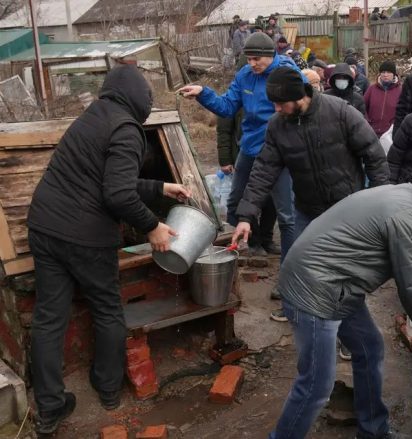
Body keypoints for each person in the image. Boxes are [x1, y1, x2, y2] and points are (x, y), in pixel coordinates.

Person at [27, 64, 191, 436]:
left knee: (49, 317)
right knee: (107, 308)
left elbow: (106, 175)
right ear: (140, 98)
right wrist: (153, 227)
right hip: (85, 236)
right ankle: (108, 389)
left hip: (44, 226)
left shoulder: (93, 117)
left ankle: (49, 408)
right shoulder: (129, 129)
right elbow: (115, 193)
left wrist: (160, 188)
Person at [267, 165, 412, 439]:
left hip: (334, 283)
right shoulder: (411, 215)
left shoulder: (404, 198)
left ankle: (373, 431)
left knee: (370, 347)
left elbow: (406, 259)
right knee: (316, 386)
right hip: (315, 290)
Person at [231, 67, 389, 330]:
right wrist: (246, 215)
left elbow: (374, 155)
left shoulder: (340, 112)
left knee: (346, 276)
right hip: (307, 209)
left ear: (298, 96)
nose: (277, 109)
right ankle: (298, 313)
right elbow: (264, 170)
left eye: (281, 103)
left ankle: (351, 335)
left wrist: (381, 202)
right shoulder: (277, 126)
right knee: (301, 266)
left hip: (347, 210)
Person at [177, 32, 297, 263]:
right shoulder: (245, 75)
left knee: (285, 213)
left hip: (279, 150)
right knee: (235, 203)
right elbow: (227, 107)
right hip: (250, 148)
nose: (251, 64)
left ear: (270, 55)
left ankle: (288, 272)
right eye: (248, 59)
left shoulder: (288, 74)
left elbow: (303, 108)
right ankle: (252, 241)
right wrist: (203, 93)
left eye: (256, 60)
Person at [215, 58, 280, 257]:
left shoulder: (267, 97)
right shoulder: (233, 100)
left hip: (267, 154)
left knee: (269, 200)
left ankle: (267, 239)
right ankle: (253, 240)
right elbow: (223, 131)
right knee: (242, 199)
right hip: (243, 155)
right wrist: (225, 159)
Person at [364, 60, 401, 137]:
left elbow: (403, 112)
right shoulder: (372, 89)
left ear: (394, 74)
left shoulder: (400, 91)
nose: (385, 75)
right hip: (371, 132)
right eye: (383, 72)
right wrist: (367, 122)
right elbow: (362, 106)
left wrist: (394, 126)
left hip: (390, 134)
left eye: (388, 72)